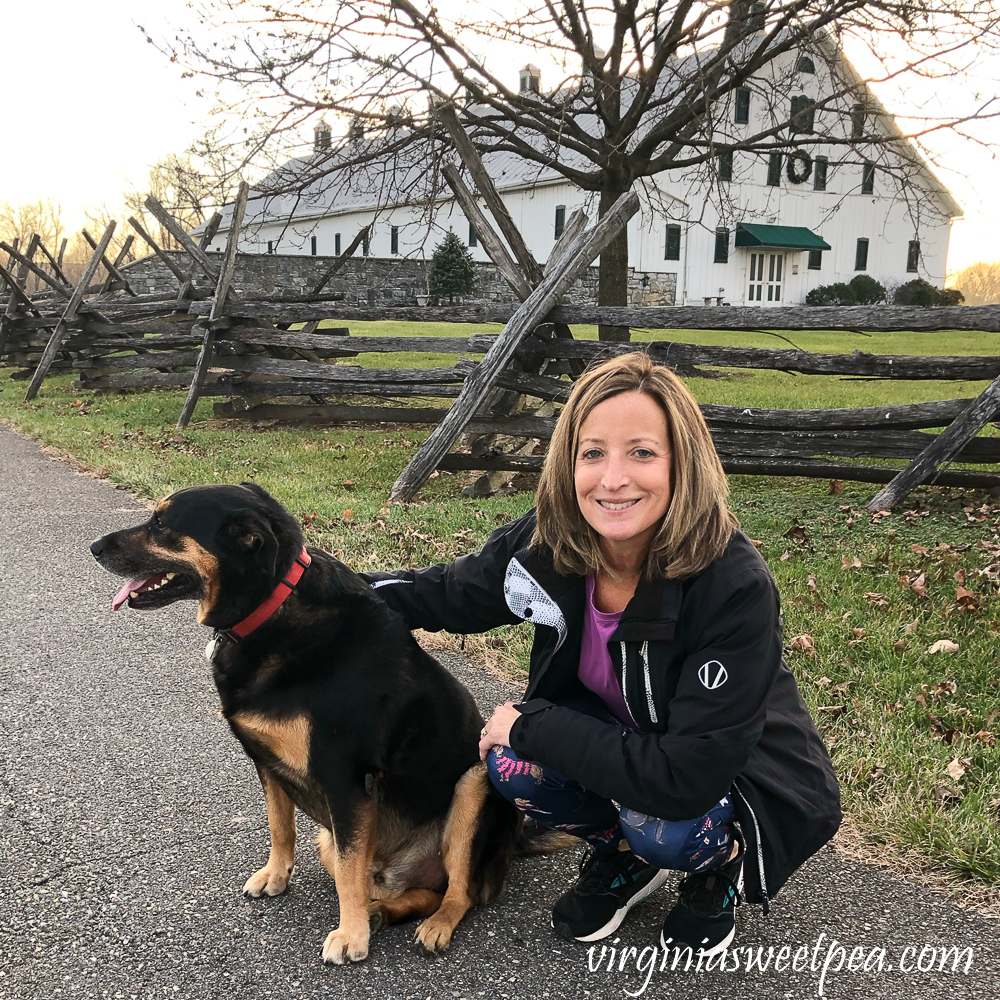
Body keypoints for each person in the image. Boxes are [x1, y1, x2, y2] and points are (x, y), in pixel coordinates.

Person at [363, 351, 841, 958]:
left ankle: (718, 865)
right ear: (569, 464)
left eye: (642, 452)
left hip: (730, 777)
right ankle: (620, 858)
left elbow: (684, 777)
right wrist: (321, 587)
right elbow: (445, 595)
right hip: (629, 745)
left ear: (681, 464)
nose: (613, 479)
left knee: (662, 822)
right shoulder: (548, 546)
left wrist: (536, 724)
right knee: (511, 765)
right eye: (593, 453)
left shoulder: (731, 584)